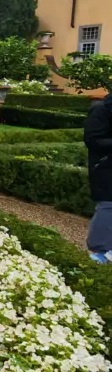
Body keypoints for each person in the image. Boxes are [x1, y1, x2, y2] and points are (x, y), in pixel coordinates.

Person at [84, 95, 112, 263]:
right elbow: (92, 140)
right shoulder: (100, 109)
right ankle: (99, 250)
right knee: (108, 205)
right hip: (104, 167)